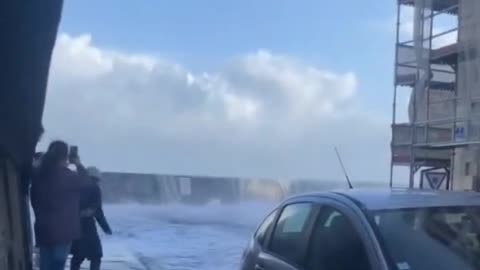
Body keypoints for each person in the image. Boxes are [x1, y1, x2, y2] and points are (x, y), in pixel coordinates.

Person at [30, 141, 90, 270]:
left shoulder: (39, 175)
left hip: (43, 229)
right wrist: (78, 164)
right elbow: (87, 183)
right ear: (66, 157)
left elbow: (33, 198)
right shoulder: (70, 176)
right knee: (57, 264)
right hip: (64, 231)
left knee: (45, 265)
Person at [70, 167, 112, 270]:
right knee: (96, 255)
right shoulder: (94, 188)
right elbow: (97, 211)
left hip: (74, 225)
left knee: (78, 256)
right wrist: (106, 228)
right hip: (88, 226)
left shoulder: (76, 186)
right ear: (95, 178)